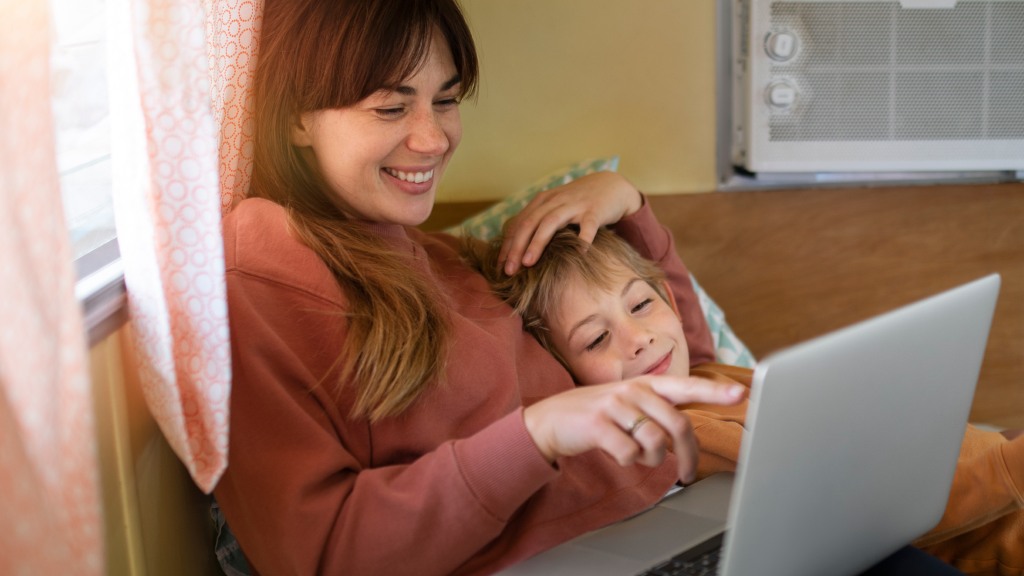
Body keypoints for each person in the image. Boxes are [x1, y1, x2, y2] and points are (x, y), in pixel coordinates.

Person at [213, 1, 748, 575]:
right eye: (391, 107)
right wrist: (534, 436)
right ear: (296, 117)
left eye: (445, 100)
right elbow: (317, 553)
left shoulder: (448, 257)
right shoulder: (266, 267)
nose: (433, 139)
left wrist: (628, 206)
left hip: (670, 509)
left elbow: (686, 367)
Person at [469, 225, 1024, 576]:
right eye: (595, 339)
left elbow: (673, 289)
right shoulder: (673, 438)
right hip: (992, 528)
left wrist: (629, 203)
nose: (637, 339)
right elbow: (869, 504)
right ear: (566, 377)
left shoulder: (701, 365)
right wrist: (1009, 463)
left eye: (640, 305)